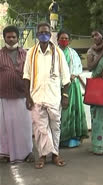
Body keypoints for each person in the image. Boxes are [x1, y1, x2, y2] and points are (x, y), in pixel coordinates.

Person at [23, 23, 70, 169]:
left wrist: (65, 96)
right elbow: (26, 76)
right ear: (37, 35)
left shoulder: (58, 53)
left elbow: (66, 77)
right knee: (40, 128)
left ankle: (55, 155)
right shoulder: (31, 53)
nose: (44, 35)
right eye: (41, 32)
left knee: (55, 127)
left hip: (54, 97)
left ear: (51, 35)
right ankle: (43, 155)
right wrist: (28, 97)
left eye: (46, 33)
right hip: (36, 96)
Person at [0, 26, 33, 163]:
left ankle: (26, 153)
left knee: (24, 126)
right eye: (9, 37)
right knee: (5, 127)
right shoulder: (0, 54)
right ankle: (5, 154)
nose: (11, 39)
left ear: (18, 38)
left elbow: (31, 73)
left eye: (14, 36)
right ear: (4, 38)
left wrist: (30, 95)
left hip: (23, 96)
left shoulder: (25, 54)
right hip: (4, 96)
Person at [57, 30, 88, 148]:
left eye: (66, 38)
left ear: (69, 40)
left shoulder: (73, 53)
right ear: (57, 39)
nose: (64, 40)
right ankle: (60, 139)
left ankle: (73, 138)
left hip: (72, 86)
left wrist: (72, 75)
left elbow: (77, 67)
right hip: (58, 86)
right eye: (62, 38)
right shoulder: (55, 52)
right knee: (62, 112)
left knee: (73, 111)